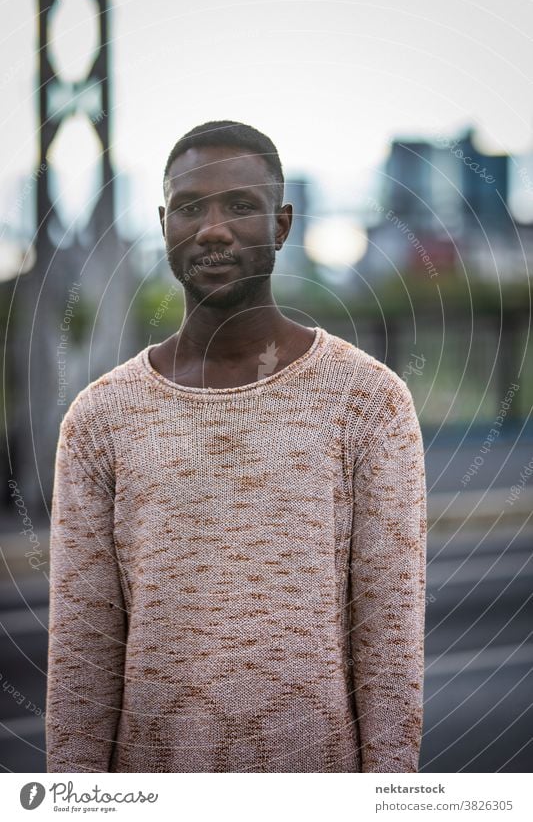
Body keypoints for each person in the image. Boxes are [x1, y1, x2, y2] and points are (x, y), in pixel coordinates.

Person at [46, 120, 427, 773]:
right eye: (190, 208)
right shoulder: (98, 419)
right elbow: (82, 660)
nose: (212, 228)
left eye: (240, 206)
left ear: (280, 224)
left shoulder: (369, 402)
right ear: (164, 223)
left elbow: (388, 651)